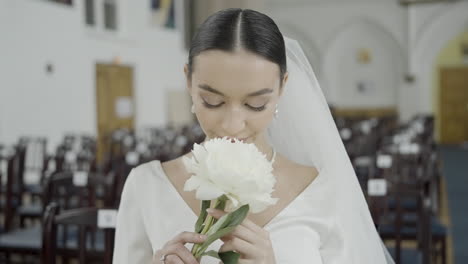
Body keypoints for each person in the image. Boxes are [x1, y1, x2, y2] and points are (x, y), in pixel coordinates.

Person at [113, 8, 394, 264]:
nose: (233, 126)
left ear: (282, 87)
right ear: (188, 81)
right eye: (212, 101)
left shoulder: (322, 190)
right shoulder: (146, 187)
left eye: (256, 104)